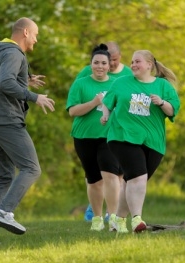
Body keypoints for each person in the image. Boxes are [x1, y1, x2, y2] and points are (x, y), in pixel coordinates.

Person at [0, 17, 56, 245]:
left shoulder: (0, 52)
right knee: (31, 168)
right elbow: (5, 83)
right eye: (36, 34)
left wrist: (26, 79)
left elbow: (3, 77)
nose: (36, 40)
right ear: (26, 33)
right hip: (7, 120)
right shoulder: (13, 53)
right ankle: (4, 212)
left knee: (5, 176)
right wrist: (34, 96)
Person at [100, 50, 181, 233]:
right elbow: (107, 102)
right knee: (138, 177)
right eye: (132, 62)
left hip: (153, 141)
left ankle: (118, 220)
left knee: (131, 181)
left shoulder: (163, 86)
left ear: (149, 65)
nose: (133, 65)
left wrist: (161, 102)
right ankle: (137, 219)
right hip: (122, 136)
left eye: (137, 61)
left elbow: (172, 110)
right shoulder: (121, 82)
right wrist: (106, 114)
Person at [66, 43, 121, 231]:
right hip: (84, 137)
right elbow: (73, 111)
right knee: (94, 180)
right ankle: (97, 218)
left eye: (104, 63)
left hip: (109, 137)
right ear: (90, 64)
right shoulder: (81, 83)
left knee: (111, 175)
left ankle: (113, 217)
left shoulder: (116, 84)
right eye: (96, 62)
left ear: (109, 65)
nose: (100, 66)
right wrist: (94, 102)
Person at [76, 41, 133, 222]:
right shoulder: (87, 74)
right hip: (89, 134)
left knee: (117, 174)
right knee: (95, 176)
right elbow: (77, 97)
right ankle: (95, 210)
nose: (110, 64)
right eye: (98, 62)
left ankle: (113, 213)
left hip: (116, 133)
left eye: (112, 60)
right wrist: (93, 103)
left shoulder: (127, 75)